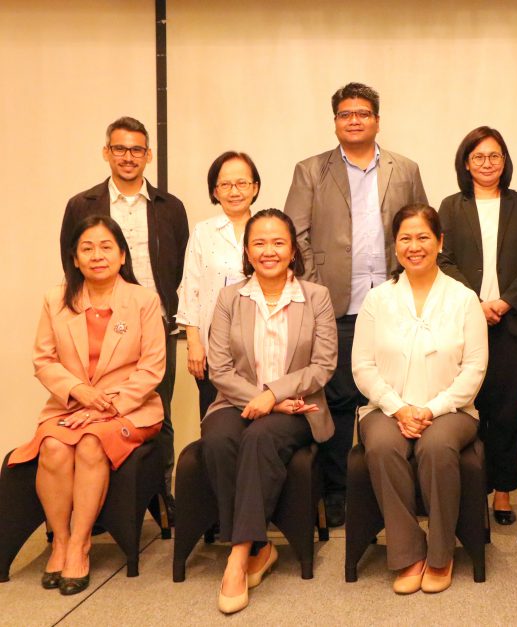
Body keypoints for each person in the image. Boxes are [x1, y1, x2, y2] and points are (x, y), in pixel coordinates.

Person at [284, 82, 428, 527]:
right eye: (345, 113)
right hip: (334, 302)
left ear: (377, 120)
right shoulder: (311, 171)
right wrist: (315, 295)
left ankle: (404, 490)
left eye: (363, 113)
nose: (354, 119)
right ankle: (340, 491)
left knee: (402, 391)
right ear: (336, 122)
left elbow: (419, 229)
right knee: (340, 398)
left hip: (395, 299)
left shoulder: (405, 169)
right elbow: (297, 237)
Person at [10, 216, 165, 595]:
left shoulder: (143, 300)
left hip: (130, 407)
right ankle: (59, 541)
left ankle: (81, 544)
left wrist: (104, 405)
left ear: (122, 254)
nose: (98, 255)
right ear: (75, 259)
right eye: (87, 248)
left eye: (106, 247)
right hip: (69, 405)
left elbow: (152, 368)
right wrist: (80, 391)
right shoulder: (56, 299)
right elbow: (43, 361)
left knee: (93, 442)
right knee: (53, 446)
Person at [202, 209, 337, 614]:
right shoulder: (230, 297)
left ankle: (238, 557)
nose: (269, 250)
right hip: (238, 399)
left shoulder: (317, 297)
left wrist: (276, 396)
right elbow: (219, 368)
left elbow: (323, 365)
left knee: (260, 437)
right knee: (218, 439)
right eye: (259, 243)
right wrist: (263, 398)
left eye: (278, 242)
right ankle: (261, 548)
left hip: (298, 407)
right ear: (247, 250)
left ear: (293, 249)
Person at [352, 204, 488, 595]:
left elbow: (475, 370)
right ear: (395, 246)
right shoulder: (378, 300)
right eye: (405, 238)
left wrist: (430, 409)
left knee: (437, 446)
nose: (414, 246)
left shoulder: (463, 299)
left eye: (423, 237)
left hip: (452, 410)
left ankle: (441, 555)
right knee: (380, 446)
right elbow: (362, 366)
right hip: (385, 407)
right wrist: (398, 408)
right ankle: (409, 553)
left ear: (440, 242)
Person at [59, 116, 188, 517]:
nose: (128, 157)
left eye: (136, 149)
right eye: (119, 148)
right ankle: (101, 504)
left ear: (148, 155)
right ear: (106, 152)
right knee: (94, 411)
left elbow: (181, 266)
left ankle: (159, 494)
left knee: (156, 411)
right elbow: (70, 260)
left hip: (154, 323)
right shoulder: (82, 204)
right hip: (95, 324)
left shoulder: (170, 207)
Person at [437, 127, 517, 525]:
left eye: (494, 156)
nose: (486, 163)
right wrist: (476, 303)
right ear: (466, 162)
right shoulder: (450, 206)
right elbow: (442, 260)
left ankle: (501, 491)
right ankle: (471, 489)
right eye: (478, 157)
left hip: (511, 322)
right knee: (466, 406)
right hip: (464, 321)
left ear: (505, 161)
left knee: (506, 409)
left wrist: (503, 302)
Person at [177, 151, 261, 417]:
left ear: (255, 187)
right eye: (225, 185)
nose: (234, 191)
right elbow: (190, 289)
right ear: (215, 191)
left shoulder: (268, 228)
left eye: (242, 183)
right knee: (215, 421)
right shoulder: (203, 232)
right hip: (214, 349)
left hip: (261, 345)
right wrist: (194, 344)